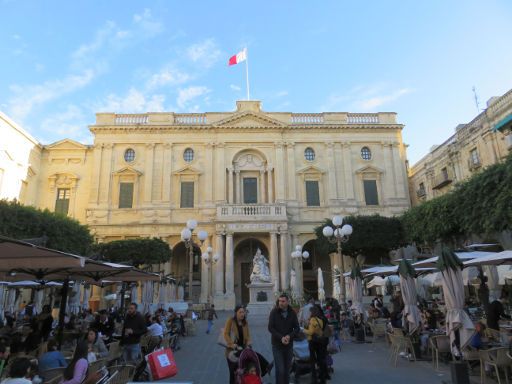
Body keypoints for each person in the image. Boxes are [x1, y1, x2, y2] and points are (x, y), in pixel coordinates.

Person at [268, 294, 299, 384]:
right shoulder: (274, 312)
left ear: (287, 302)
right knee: (280, 369)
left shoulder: (292, 313)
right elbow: (270, 328)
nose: (280, 303)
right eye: (279, 301)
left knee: (287, 370)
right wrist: (281, 337)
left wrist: (289, 336)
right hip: (277, 345)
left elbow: (297, 328)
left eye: (283, 301)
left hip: (289, 346)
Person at [303, 305, 328, 384]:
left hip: (312, 342)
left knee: (312, 361)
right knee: (321, 360)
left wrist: (303, 330)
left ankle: (314, 379)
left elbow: (310, 332)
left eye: (310, 311)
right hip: (320, 341)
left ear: (312, 312)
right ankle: (323, 379)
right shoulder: (320, 319)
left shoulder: (312, 320)